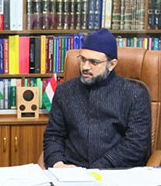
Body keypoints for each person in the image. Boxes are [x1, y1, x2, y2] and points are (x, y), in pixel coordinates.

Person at [43, 28, 151, 169]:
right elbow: (53, 135)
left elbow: (135, 145)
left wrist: (96, 169)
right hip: (72, 173)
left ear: (111, 64)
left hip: (115, 174)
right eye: (82, 59)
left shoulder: (134, 95)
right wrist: (57, 164)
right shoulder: (65, 91)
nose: (85, 67)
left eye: (94, 62)